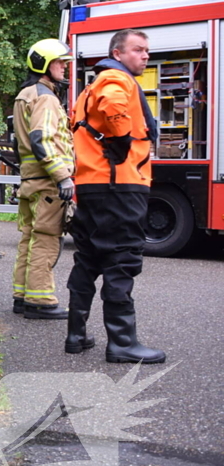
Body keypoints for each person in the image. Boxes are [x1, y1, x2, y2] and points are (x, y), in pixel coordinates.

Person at [67, 29, 165, 363]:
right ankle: (122, 343)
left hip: (93, 185)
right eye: (138, 50)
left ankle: (75, 334)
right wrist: (122, 139)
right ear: (118, 53)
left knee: (89, 258)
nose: (145, 56)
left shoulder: (89, 87)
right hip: (119, 184)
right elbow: (113, 107)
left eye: (147, 51)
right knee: (122, 259)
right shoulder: (115, 78)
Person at [11, 39, 76, 321]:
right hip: (48, 182)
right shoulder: (46, 98)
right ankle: (41, 301)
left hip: (30, 182)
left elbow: (22, 143)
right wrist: (62, 177)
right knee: (46, 240)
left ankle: (22, 296)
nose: (64, 68)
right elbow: (42, 138)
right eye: (61, 62)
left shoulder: (24, 95)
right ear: (45, 65)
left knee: (29, 240)